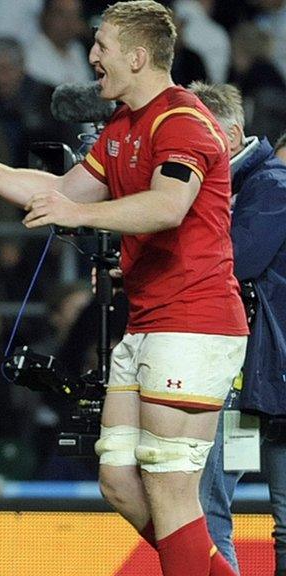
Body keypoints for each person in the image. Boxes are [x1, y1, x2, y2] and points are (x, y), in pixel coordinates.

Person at [0, 3, 246, 574]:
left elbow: (170, 206)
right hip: (147, 323)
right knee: (119, 480)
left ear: (137, 56)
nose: (91, 56)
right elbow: (58, 188)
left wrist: (77, 212)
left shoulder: (182, 121)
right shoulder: (123, 125)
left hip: (193, 326)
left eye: (102, 46)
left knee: (172, 495)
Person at [192, 81, 286, 575]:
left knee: (209, 511)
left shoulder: (268, 185)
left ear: (227, 137)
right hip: (246, 377)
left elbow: (242, 261)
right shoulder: (239, 186)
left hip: (246, 377)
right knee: (212, 509)